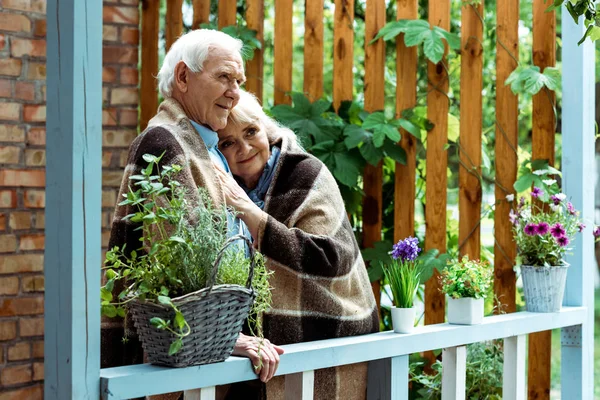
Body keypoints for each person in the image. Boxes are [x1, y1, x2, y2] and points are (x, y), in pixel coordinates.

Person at [102, 29, 283, 393]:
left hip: (199, 354)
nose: (235, 92)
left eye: (239, 81)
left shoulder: (205, 146)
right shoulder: (165, 142)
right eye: (224, 78)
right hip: (171, 360)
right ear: (183, 77)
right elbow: (174, 265)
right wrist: (234, 340)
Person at [215, 90, 380, 400]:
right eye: (228, 142)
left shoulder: (306, 172)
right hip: (256, 344)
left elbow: (333, 258)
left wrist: (253, 216)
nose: (245, 147)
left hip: (328, 328)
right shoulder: (221, 185)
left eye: (251, 132)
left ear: (266, 128)